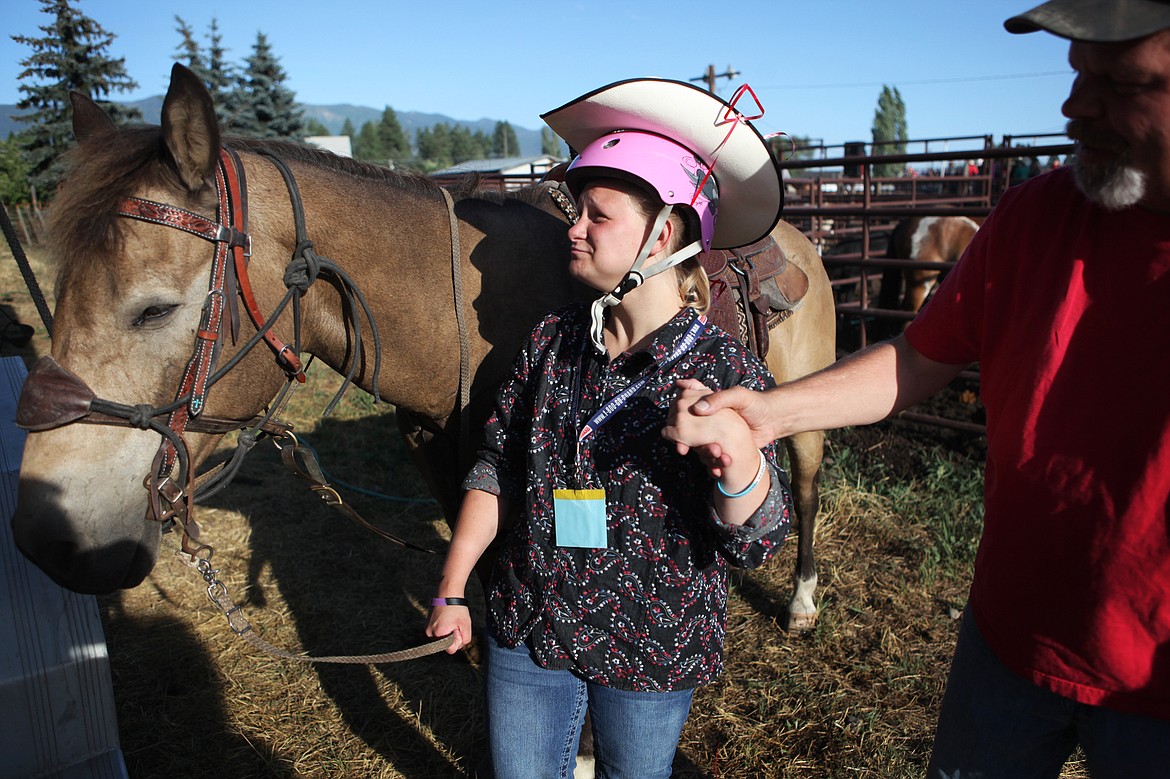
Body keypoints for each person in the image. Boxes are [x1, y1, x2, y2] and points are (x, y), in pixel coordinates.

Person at [664, 1, 1170, 776]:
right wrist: (768, 409)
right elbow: (918, 358)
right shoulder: (1036, 217)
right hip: (1007, 639)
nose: (1073, 106)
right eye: (1077, 74)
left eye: (1120, 82)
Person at [425, 78, 795, 779]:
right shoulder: (550, 341)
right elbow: (496, 463)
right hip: (528, 623)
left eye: (600, 215)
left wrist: (739, 462)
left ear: (664, 233)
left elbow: (759, 539)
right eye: (578, 210)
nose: (575, 226)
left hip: (649, 644)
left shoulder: (725, 368)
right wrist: (451, 588)